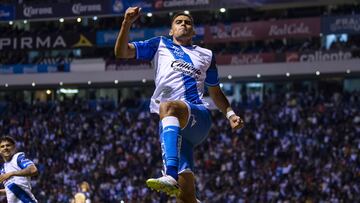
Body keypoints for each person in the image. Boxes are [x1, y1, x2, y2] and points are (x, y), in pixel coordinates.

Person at [115, 7, 244, 203]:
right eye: (179, 22)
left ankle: (171, 175)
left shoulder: (206, 55)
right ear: (171, 30)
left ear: (193, 31)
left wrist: (230, 114)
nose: (184, 24)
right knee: (186, 198)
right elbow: (121, 52)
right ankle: (178, 181)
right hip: (171, 127)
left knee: (167, 106)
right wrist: (126, 24)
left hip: (197, 116)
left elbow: (215, 92)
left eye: (188, 23)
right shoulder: (158, 45)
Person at [0, 136, 38, 203]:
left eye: (8, 145)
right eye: (2, 146)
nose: (5, 148)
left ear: (14, 148)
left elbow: (33, 170)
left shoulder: (17, 158)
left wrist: (11, 173)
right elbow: (12, 190)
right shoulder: (3, 169)